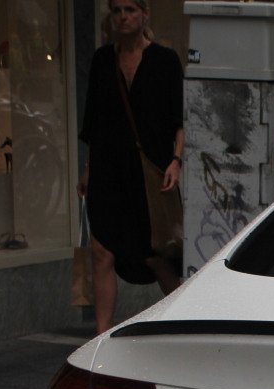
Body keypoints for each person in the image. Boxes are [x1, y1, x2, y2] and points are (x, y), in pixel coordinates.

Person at [77, 0, 183, 335]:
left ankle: (183, 317)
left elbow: (181, 118)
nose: (123, 16)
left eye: (130, 10)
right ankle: (101, 333)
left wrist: (175, 160)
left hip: (148, 169)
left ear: (144, 14)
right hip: (108, 169)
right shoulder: (102, 60)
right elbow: (94, 123)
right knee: (102, 250)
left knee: (156, 253)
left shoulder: (164, 61)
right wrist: (88, 169)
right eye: (117, 10)